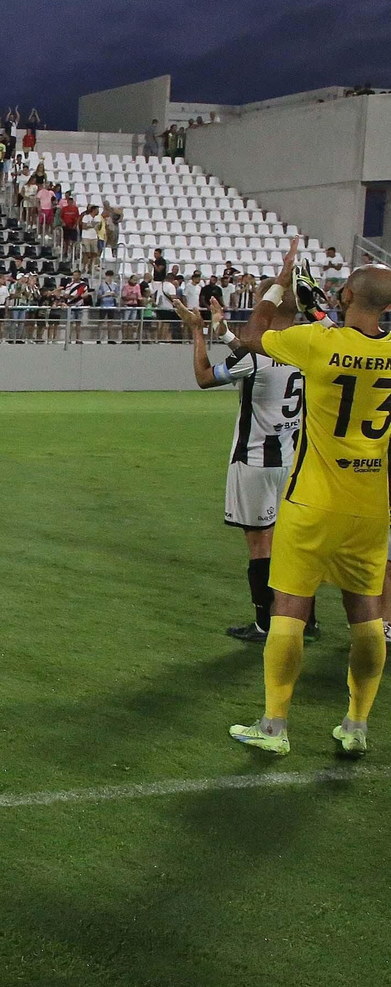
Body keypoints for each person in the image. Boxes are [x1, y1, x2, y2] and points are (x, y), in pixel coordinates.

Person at [225, 241, 391, 757]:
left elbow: (254, 335)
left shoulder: (316, 342)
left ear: (346, 294)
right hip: (371, 504)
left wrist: (280, 281)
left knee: (290, 609)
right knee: (366, 613)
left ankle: (275, 725)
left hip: (312, 500)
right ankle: (357, 724)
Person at [169, 293, 309, 643]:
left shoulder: (257, 359)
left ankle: (265, 623)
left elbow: (204, 376)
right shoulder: (311, 352)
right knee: (291, 543)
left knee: (260, 544)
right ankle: (306, 621)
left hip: (256, 460)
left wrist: (198, 331)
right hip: (294, 461)